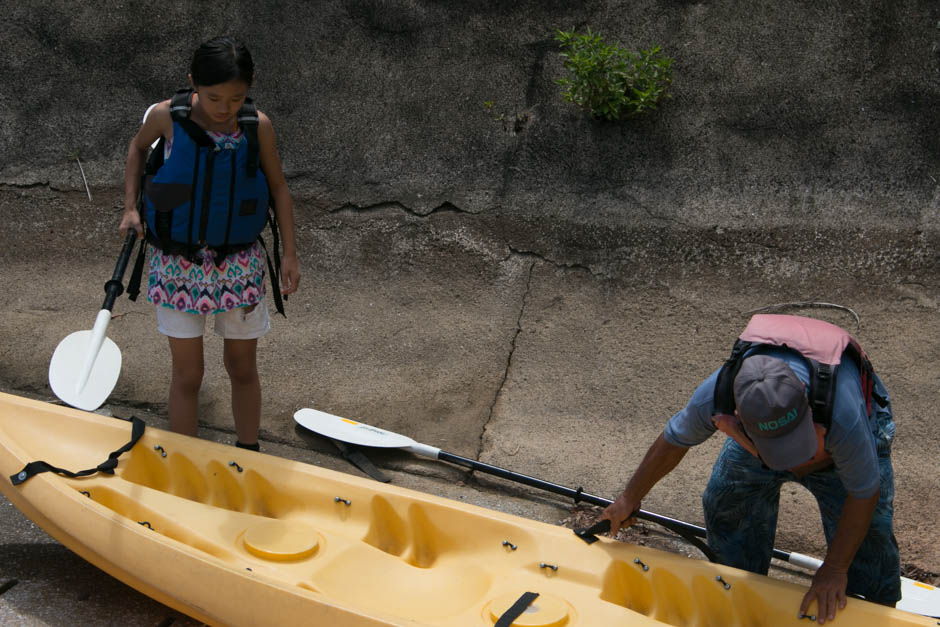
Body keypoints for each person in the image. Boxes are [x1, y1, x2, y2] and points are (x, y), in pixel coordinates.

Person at [600, 314, 900, 625]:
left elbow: (864, 491)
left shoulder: (844, 414)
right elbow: (673, 441)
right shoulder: (717, 394)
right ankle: (739, 587)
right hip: (762, 438)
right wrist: (628, 498)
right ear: (739, 415)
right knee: (726, 501)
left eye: (794, 442)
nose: (793, 463)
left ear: (805, 398)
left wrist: (835, 568)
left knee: (869, 536)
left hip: (841, 439)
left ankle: (874, 608)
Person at [119, 36, 300, 451]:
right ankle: (188, 461)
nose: (225, 107)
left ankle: (249, 454)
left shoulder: (258, 127)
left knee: (242, 368)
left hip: (239, 265)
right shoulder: (167, 117)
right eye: (214, 96)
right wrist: (131, 208)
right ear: (193, 84)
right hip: (176, 267)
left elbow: (279, 188)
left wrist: (289, 253)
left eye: (236, 98)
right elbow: (137, 147)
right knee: (188, 375)